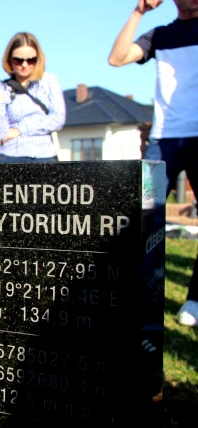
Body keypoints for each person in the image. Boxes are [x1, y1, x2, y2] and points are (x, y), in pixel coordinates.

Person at [108, 0, 198, 326]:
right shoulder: (160, 35)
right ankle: (140, 297)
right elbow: (116, 58)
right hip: (164, 139)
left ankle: (194, 299)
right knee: (144, 220)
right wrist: (139, 11)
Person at [0, 32, 66, 163]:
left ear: (38, 59)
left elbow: (58, 119)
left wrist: (19, 130)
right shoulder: (3, 88)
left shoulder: (49, 81)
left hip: (45, 157)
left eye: (31, 60)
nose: (24, 65)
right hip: (11, 157)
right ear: (9, 60)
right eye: (18, 60)